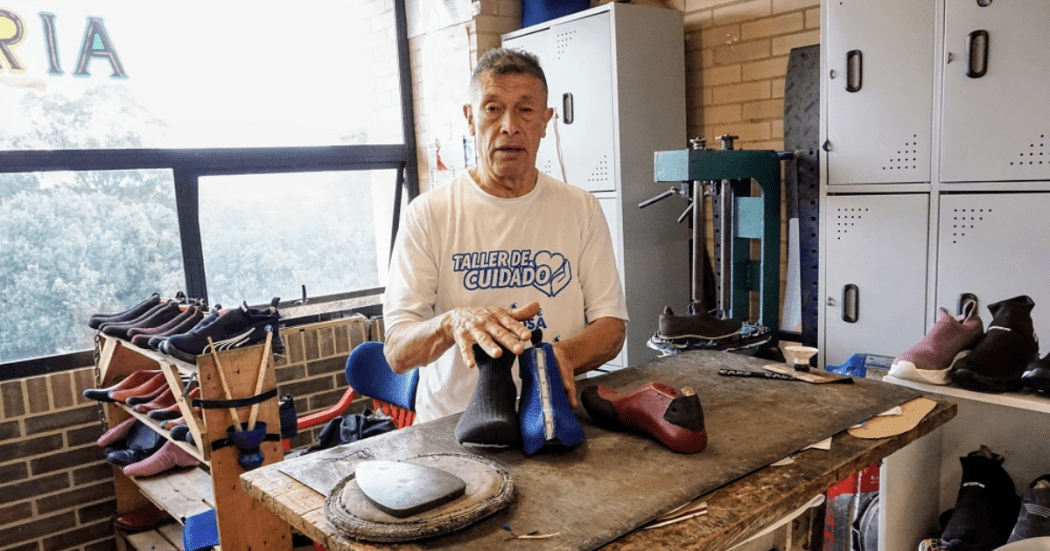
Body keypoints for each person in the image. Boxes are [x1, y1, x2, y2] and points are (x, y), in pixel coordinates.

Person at [383, 47, 629, 424]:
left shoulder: (581, 208)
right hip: (450, 428)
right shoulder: (429, 214)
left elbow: (611, 327)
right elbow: (398, 351)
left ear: (545, 121)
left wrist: (562, 356)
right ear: (470, 119)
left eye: (525, 110)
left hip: (551, 417)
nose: (509, 125)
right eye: (493, 109)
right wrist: (451, 323)